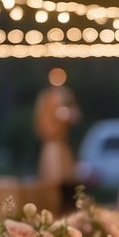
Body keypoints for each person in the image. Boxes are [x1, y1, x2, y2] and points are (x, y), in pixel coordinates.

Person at [34, 68, 81, 209]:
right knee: (52, 177)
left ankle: (65, 206)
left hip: (63, 144)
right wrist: (54, 124)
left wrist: (68, 116)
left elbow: (75, 115)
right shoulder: (46, 97)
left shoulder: (67, 95)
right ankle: (51, 206)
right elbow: (43, 122)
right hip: (53, 143)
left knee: (66, 179)